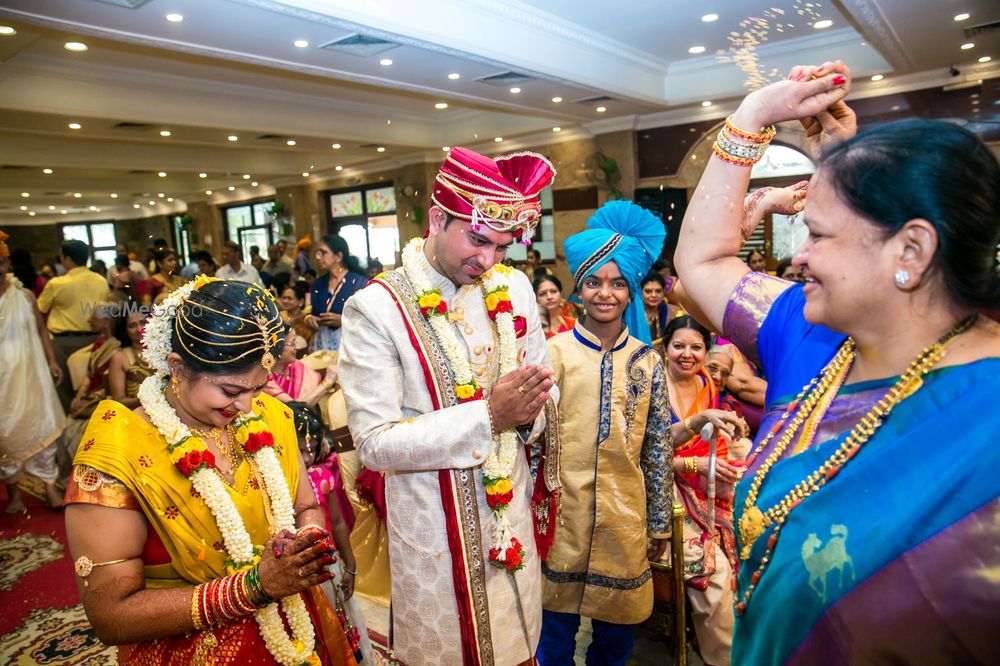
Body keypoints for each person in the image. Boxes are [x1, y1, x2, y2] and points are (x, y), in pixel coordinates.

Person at [674, 60, 1000, 664]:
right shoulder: (811, 332)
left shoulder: (985, 410)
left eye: (818, 236)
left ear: (912, 249)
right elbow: (704, 262)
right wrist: (753, 119)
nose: (799, 258)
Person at [338, 146, 558, 665]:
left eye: (503, 247)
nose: (488, 261)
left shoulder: (515, 288)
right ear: (437, 218)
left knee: (519, 646)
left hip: (511, 525)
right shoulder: (376, 309)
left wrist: (527, 417)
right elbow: (373, 444)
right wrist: (490, 416)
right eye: (477, 239)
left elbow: (543, 398)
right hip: (432, 534)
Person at [64, 276, 357, 664]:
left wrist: (304, 541)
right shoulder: (117, 452)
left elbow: (306, 507)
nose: (249, 406)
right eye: (232, 391)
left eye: (259, 387)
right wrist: (253, 587)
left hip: (295, 621)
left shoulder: (269, 415)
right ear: (178, 368)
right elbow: (110, 614)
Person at [539, 201, 673, 665]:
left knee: (615, 643)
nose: (605, 293)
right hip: (560, 518)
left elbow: (656, 446)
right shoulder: (551, 355)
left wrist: (658, 521)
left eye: (618, 283)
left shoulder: (648, 360)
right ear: (579, 289)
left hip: (624, 519)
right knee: (553, 636)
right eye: (594, 281)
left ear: (632, 289)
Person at [661, 316, 749, 666]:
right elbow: (639, 454)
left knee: (755, 534)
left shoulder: (705, 384)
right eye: (678, 346)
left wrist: (730, 437)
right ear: (664, 347)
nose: (687, 354)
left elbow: (709, 444)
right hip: (662, 491)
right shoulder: (653, 386)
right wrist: (695, 467)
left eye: (696, 347)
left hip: (707, 488)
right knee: (714, 576)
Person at [292, 402, 373, 664]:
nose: (305, 458)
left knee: (342, 617)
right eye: (299, 450)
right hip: (300, 575)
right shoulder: (280, 482)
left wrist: (349, 565)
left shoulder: (321, 475)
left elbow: (336, 524)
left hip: (330, 564)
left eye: (311, 450)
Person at [0, 232, 65, 511]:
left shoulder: (25, 296)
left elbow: (41, 329)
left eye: (2, 261)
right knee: (6, 431)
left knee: (43, 421)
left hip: (32, 371)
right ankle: (14, 493)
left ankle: (50, 486)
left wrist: (51, 361)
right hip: (3, 377)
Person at [38, 239, 111, 412]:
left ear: (67, 259)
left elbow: (39, 311)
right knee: (93, 387)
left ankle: (69, 423)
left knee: (63, 387)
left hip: (64, 344)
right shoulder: (100, 280)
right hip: (96, 340)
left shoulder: (57, 283)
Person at [307, 235, 367, 352]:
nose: (318, 257)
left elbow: (369, 317)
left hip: (353, 345)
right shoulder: (318, 284)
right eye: (317, 253)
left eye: (323, 253)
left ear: (338, 256)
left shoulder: (358, 282)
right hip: (323, 345)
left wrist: (343, 320)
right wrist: (310, 319)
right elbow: (314, 313)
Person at [263, 327, 336, 406]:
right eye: (292, 343)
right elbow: (296, 409)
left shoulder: (295, 366)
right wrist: (327, 382)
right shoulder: (263, 378)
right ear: (277, 348)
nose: (297, 348)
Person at [107, 310, 146, 409]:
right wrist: (146, 400)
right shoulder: (119, 357)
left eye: (143, 323)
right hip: (135, 414)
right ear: (125, 330)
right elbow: (118, 400)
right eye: (132, 325)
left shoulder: (163, 350)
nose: (139, 329)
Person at [280, 282, 314, 350]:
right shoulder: (277, 316)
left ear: (301, 302)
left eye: (289, 298)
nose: (285, 301)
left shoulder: (307, 320)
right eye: (283, 298)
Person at [641, 271, 671, 343]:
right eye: (648, 291)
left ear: (663, 292)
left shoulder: (671, 313)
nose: (654, 295)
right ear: (640, 292)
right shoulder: (631, 314)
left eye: (658, 291)